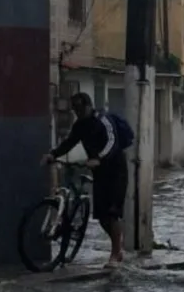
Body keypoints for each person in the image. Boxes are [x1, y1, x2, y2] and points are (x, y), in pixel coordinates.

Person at [45, 91, 131, 270]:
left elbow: (112, 142)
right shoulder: (80, 125)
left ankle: (116, 252)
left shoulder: (103, 119)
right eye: (74, 109)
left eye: (80, 108)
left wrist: (98, 158)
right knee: (101, 217)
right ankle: (118, 244)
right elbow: (70, 142)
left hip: (116, 170)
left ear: (88, 106)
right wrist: (53, 154)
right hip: (98, 171)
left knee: (112, 212)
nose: (77, 112)